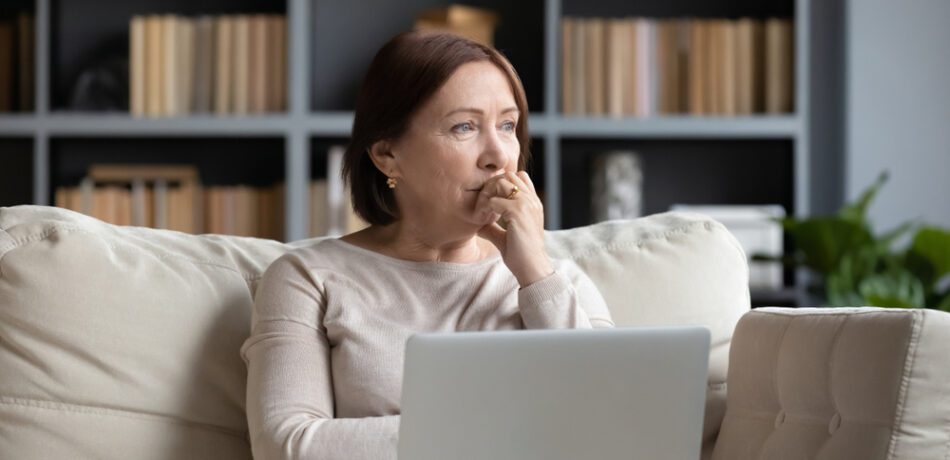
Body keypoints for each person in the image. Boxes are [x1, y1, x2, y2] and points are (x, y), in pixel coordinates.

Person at [239, 31, 615, 460]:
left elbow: (605, 429)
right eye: (465, 127)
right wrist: (510, 435)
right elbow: (285, 445)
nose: (498, 156)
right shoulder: (306, 278)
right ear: (386, 155)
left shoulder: (555, 281)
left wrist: (535, 275)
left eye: (508, 125)